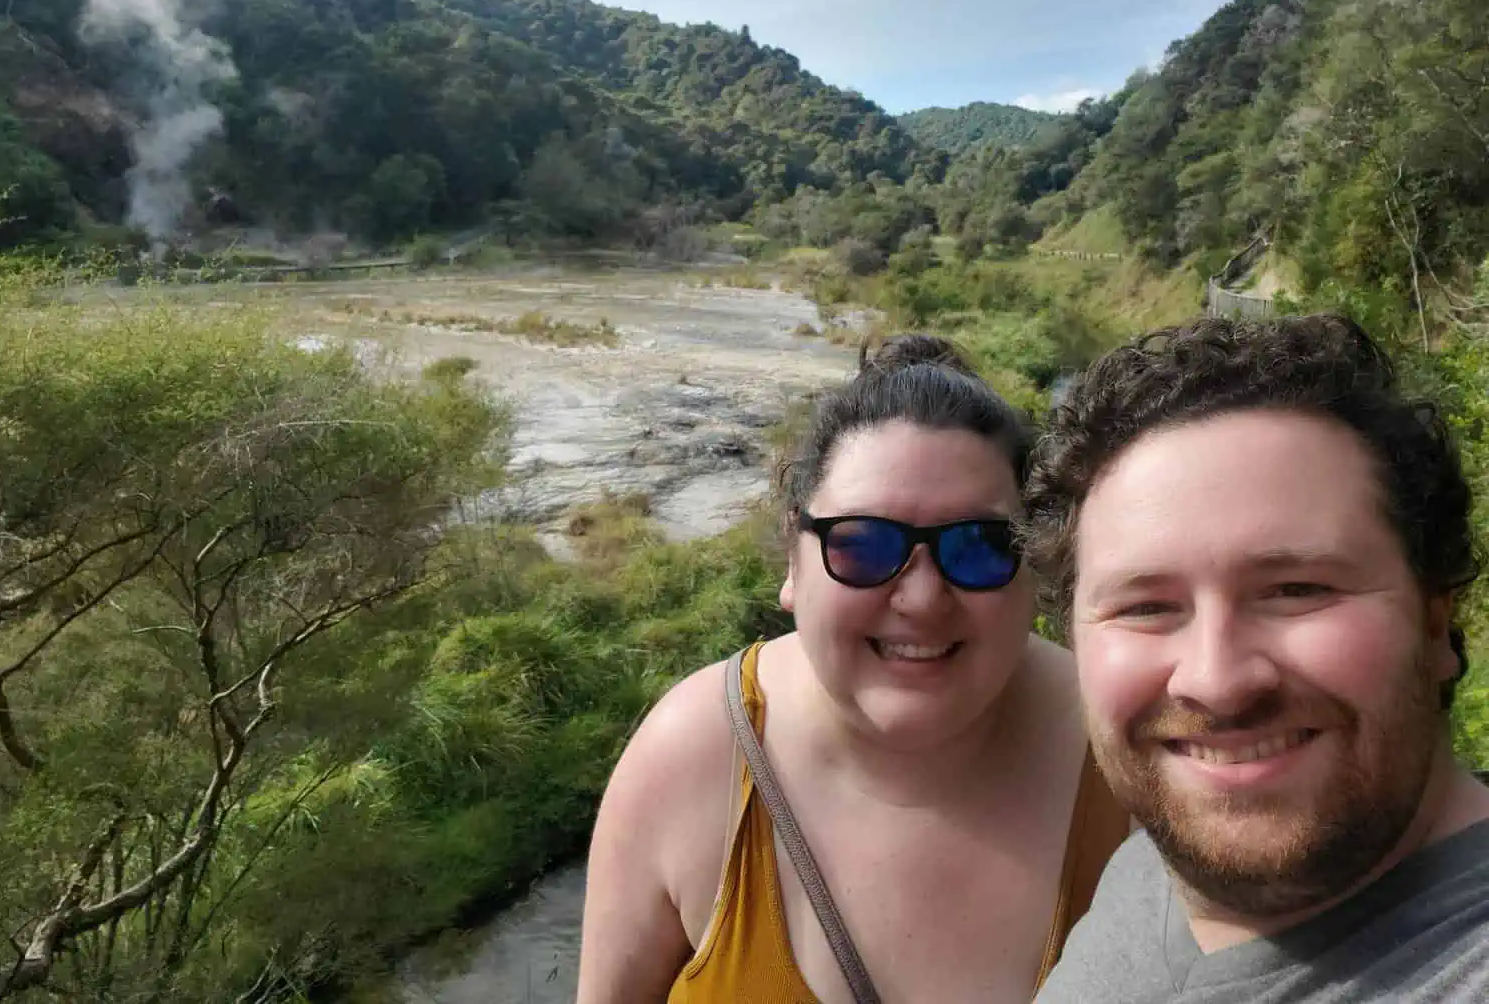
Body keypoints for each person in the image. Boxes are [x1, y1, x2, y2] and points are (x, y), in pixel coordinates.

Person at [576, 335, 1129, 1004]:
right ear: (793, 560)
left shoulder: (1127, 753)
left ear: (1034, 566)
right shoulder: (692, 758)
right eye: (864, 545)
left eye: (979, 547)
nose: (922, 600)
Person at [1023, 313, 1489, 1002]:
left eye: (1297, 590)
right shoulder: (1148, 867)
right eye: (1146, 607)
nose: (1216, 681)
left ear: (1433, 619)